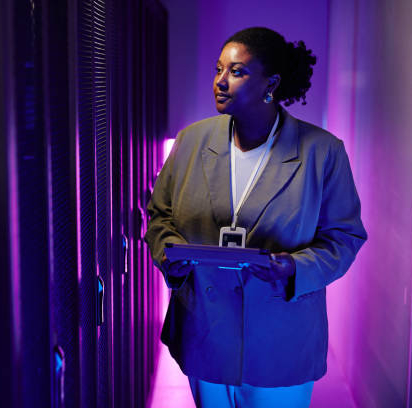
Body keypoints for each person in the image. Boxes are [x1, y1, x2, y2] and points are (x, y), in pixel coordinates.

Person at [144, 27, 367, 407]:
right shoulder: (191, 141)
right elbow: (159, 215)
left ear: (272, 83)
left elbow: (344, 238)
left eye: (237, 71)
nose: (220, 81)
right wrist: (170, 254)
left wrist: (294, 268)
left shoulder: (322, 152)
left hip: (280, 337)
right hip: (206, 330)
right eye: (218, 69)